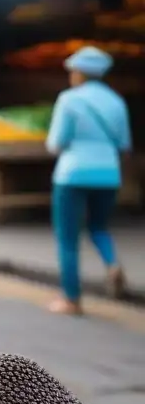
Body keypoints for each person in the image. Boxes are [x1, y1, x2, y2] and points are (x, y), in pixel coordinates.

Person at [46, 46, 131, 316]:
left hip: (72, 174)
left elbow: (56, 143)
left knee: (68, 238)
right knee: (98, 227)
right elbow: (124, 144)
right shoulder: (117, 101)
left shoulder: (69, 100)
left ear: (80, 73)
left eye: (72, 71)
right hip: (108, 173)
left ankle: (71, 299)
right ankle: (112, 263)